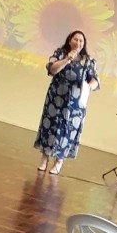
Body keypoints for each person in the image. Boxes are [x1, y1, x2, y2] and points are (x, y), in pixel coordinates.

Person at [35, 30, 99, 175]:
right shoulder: (60, 53)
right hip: (56, 98)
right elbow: (52, 70)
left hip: (75, 104)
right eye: (76, 39)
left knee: (67, 131)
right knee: (49, 126)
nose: (78, 43)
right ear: (70, 40)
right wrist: (67, 59)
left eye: (81, 41)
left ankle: (59, 161)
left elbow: (95, 80)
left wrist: (89, 86)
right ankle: (44, 158)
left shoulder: (88, 61)